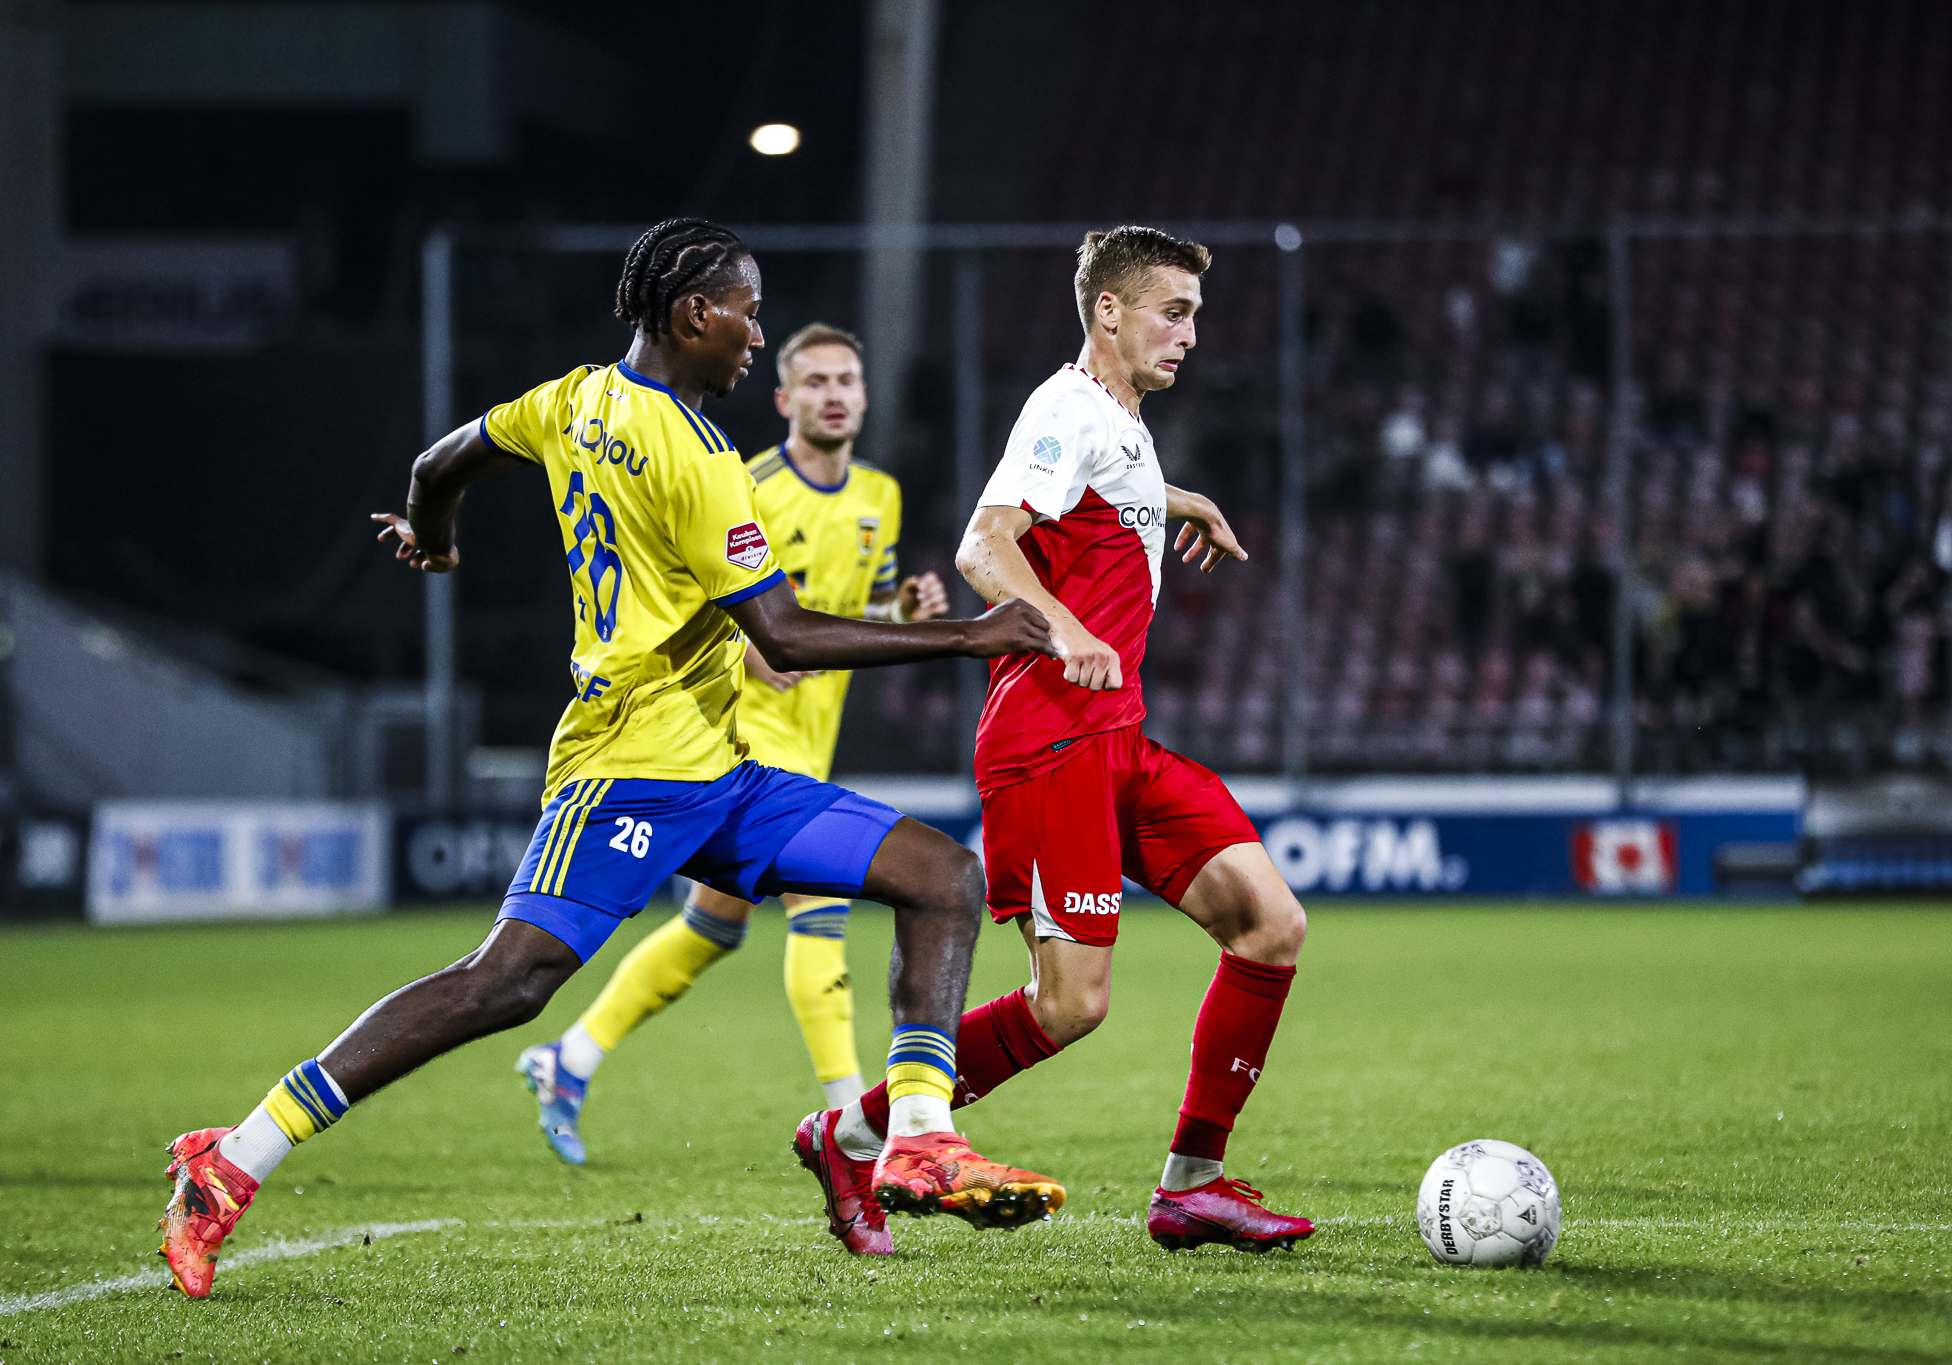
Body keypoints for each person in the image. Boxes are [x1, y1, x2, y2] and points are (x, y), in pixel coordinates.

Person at [156, 219, 1064, 1299]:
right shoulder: (700, 457)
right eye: (746, 314)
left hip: (721, 773)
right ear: (693, 313)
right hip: (627, 766)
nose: (754, 335)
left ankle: (907, 1139)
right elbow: (782, 636)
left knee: (942, 875)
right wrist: (968, 635)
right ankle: (234, 1156)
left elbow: (439, 463)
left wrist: (434, 536)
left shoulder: (569, 398)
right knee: (506, 983)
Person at [796, 226, 1313, 1257]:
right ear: (1108, 311)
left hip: (1120, 737)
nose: (1191, 334)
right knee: (1069, 1005)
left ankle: (1192, 1186)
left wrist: (1185, 500)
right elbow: (983, 543)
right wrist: (1065, 627)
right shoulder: (1064, 406)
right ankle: (850, 1135)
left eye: (1195, 315)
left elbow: (1104, 487)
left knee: (1270, 924)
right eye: (1173, 312)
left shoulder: (1116, 419)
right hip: (1049, 741)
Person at [515, 322, 950, 1171]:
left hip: (813, 735)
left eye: (847, 380)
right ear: (784, 399)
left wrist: (904, 612)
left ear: (865, 397)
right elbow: (690, 600)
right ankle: (858, 1123)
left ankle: (569, 1057)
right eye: (816, 381)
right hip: (739, 734)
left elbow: (861, 610)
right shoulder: (745, 483)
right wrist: (748, 646)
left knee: (711, 928)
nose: (834, 394)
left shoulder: (881, 494)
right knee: (820, 915)